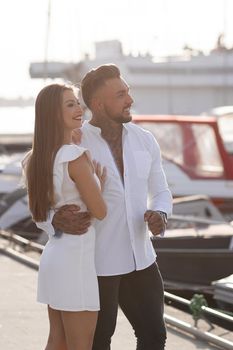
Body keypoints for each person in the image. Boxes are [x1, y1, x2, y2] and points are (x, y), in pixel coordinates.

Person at [37, 64, 173, 350]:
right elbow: (46, 198)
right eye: (121, 94)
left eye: (128, 92)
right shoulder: (75, 141)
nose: (130, 100)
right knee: (98, 342)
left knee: (154, 336)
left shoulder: (145, 140)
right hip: (96, 263)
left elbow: (160, 190)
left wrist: (160, 212)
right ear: (99, 104)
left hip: (142, 259)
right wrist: (54, 221)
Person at [23, 83, 107, 350]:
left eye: (77, 102)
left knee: (57, 341)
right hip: (75, 260)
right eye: (69, 104)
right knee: (80, 345)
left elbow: (39, 212)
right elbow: (100, 211)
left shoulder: (36, 159)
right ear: (52, 114)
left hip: (54, 257)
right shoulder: (75, 156)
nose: (78, 108)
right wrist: (98, 186)